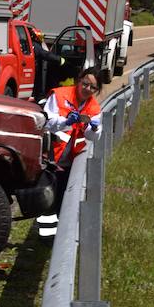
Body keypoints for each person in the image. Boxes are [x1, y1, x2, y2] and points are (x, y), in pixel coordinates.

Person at [36, 68, 102, 237]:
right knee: (47, 198)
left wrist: (93, 128)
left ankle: (58, 236)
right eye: (85, 83)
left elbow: (92, 136)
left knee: (61, 201)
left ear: (96, 90)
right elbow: (45, 120)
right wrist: (66, 121)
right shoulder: (60, 95)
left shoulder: (93, 107)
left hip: (69, 162)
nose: (87, 89)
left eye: (92, 87)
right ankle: (44, 237)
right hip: (50, 157)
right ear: (79, 80)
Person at [31, 27, 64, 101]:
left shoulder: (32, 44)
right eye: (39, 36)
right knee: (38, 84)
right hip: (33, 69)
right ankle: (38, 98)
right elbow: (44, 54)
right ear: (34, 37)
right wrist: (59, 59)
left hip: (34, 68)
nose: (40, 38)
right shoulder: (35, 45)